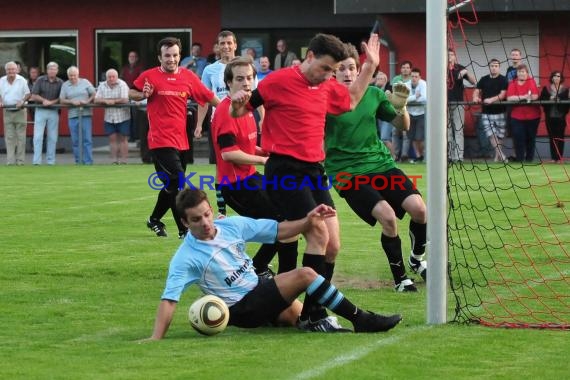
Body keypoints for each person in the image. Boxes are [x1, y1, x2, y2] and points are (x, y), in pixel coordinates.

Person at [230, 32, 380, 330]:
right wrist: (236, 102)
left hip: (314, 171)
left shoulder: (326, 86)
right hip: (285, 170)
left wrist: (369, 67)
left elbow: (350, 101)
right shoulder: (276, 82)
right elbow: (241, 110)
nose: (328, 76)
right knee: (318, 236)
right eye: (325, 68)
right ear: (309, 57)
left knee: (333, 245)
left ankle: (310, 312)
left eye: (333, 71)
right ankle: (312, 316)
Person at [144, 188, 402, 340]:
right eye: (196, 219)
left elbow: (278, 230)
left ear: (212, 210)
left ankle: (315, 320)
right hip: (241, 308)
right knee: (305, 275)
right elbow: (169, 299)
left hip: (260, 291)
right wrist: (156, 338)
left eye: (207, 214)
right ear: (185, 223)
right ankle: (361, 319)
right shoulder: (185, 257)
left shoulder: (230, 225)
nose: (206, 222)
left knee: (298, 319)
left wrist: (307, 220)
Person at [324, 44, 427, 292]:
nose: (348, 73)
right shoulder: (325, 98)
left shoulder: (373, 94)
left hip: (380, 164)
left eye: (352, 68)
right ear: (333, 74)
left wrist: (402, 108)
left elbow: (402, 126)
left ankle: (416, 259)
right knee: (388, 218)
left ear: (360, 71)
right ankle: (400, 278)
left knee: (420, 210)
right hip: (348, 173)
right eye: (342, 69)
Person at [211, 56, 298, 278]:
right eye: (240, 79)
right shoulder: (225, 112)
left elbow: (246, 145)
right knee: (283, 224)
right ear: (229, 83)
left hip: (250, 177)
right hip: (235, 185)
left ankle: (266, 269)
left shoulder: (246, 108)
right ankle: (261, 269)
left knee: (288, 216)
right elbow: (229, 153)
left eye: (250, 77)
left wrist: (266, 151)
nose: (246, 83)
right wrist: (263, 160)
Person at [129, 37, 219, 238]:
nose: (171, 59)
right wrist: (142, 94)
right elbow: (131, 92)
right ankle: (184, 230)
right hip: (160, 141)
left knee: (171, 186)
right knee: (178, 183)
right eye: (167, 55)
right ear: (160, 57)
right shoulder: (150, 76)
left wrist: (228, 111)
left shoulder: (188, 76)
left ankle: (154, 220)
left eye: (175, 55)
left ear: (180, 56)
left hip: (182, 142)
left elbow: (208, 96)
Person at [472, 58, 509, 162]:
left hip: (500, 111)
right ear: (489, 67)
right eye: (492, 66)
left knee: (500, 135)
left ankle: (497, 157)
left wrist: (491, 100)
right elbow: (476, 91)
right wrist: (475, 97)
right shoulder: (484, 79)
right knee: (491, 134)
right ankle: (502, 156)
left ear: (499, 67)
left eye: (496, 66)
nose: (494, 68)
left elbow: (502, 95)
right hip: (486, 112)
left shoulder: (503, 79)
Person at [59, 66, 96, 165]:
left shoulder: (85, 82)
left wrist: (87, 101)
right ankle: (78, 161)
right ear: (68, 76)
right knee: (75, 140)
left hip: (85, 114)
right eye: (70, 75)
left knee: (87, 139)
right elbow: (61, 99)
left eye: (74, 75)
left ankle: (88, 161)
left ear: (78, 74)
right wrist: (71, 102)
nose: (72, 77)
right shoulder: (65, 85)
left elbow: (94, 93)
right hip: (72, 115)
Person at [95, 69, 130, 164]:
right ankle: (114, 160)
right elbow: (96, 99)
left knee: (123, 139)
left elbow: (125, 99)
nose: (111, 78)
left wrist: (113, 101)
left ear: (117, 77)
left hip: (123, 116)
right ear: (106, 77)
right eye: (109, 77)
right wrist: (105, 101)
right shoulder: (102, 85)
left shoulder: (122, 84)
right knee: (112, 139)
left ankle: (123, 161)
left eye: (113, 76)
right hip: (109, 117)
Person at [506, 63, 540, 162]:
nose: (521, 73)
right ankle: (519, 159)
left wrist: (517, 98)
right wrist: (524, 97)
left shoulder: (531, 81)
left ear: (527, 73)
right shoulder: (513, 83)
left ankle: (529, 159)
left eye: (523, 72)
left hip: (533, 116)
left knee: (530, 139)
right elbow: (509, 98)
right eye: (519, 72)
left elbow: (534, 96)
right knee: (518, 138)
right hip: (517, 117)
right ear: (517, 73)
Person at [30, 61, 63, 166]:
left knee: (52, 137)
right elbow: (34, 95)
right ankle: (36, 161)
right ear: (47, 70)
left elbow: (62, 98)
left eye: (54, 69)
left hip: (54, 111)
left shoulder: (61, 82)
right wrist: (44, 101)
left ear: (57, 71)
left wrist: (51, 102)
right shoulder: (40, 80)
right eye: (50, 69)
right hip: (40, 110)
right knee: (38, 137)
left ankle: (51, 161)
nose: (52, 71)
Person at [447, 49, 476, 163]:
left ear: (455, 57)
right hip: (445, 104)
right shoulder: (441, 67)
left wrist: (466, 73)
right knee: (447, 131)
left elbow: (474, 82)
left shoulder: (460, 67)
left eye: (452, 55)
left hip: (458, 103)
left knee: (458, 130)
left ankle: (458, 157)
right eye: (448, 55)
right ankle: (448, 156)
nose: (450, 57)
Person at [0, 61, 30, 165]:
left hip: (20, 111)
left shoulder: (22, 80)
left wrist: (22, 101)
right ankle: (10, 161)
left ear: (16, 70)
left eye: (13, 69)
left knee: (21, 138)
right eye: (9, 69)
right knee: (9, 137)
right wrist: (1, 101)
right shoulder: (1, 80)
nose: (11, 71)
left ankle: (20, 161)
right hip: (7, 111)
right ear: (6, 70)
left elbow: (27, 94)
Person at [539, 71, 569, 162]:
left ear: (561, 78)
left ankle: (559, 158)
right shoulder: (546, 88)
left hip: (561, 117)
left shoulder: (566, 89)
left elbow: (567, 102)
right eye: (555, 76)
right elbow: (542, 99)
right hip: (550, 116)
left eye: (558, 76)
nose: (556, 78)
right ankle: (553, 158)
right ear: (552, 78)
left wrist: (559, 99)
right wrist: (550, 98)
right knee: (552, 137)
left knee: (560, 137)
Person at [120, 51, 145, 142]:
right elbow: (121, 80)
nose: (132, 58)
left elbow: (142, 80)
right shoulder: (125, 68)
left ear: (137, 58)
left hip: (136, 94)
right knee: (127, 116)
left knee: (136, 116)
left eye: (133, 56)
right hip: (125, 94)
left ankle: (136, 136)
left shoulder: (140, 68)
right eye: (130, 56)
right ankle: (130, 136)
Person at [391, 61, 413, 162]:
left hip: (408, 110)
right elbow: (392, 92)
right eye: (403, 67)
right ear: (400, 69)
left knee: (405, 134)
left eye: (407, 68)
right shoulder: (396, 79)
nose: (405, 69)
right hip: (395, 110)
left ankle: (404, 156)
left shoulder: (413, 79)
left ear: (410, 70)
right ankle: (395, 156)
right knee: (395, 133)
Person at [407, 67, 427, 163]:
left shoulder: (423, 84)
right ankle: (418, 156)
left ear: (419, 77)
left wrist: (411, 99)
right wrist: (415, 96)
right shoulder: (406, 85)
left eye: (416, 76)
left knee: (419, 137)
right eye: (412, 76)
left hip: (421, 113)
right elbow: (405, 99)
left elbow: (424, 99)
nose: (414, 78)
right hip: (410, 114)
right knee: (412, 137)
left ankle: (423, 154)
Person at [374, 71, 394, 156]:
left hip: (388, 116)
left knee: (385, 138)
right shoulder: (374, 89)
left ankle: (394, 157)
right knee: (382, 139)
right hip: (379, 116)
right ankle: (387, 157)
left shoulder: (390, 88)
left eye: (381, 78)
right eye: (378, 78)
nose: (379, 80)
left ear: (385, 80)